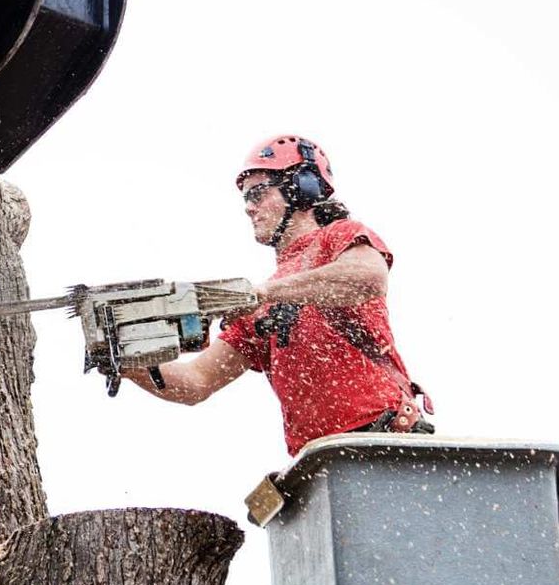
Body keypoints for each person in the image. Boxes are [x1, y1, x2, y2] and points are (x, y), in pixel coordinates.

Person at [123, 135, 432, 454]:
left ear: (302, 188)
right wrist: (129, 363)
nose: (248, 207)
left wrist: (264, 293)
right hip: (317, 459)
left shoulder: (338, 238)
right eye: (245, 198)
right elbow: (197, 381)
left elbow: (368, 279)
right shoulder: (257, 305)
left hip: (384, 441)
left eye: (258, 193)